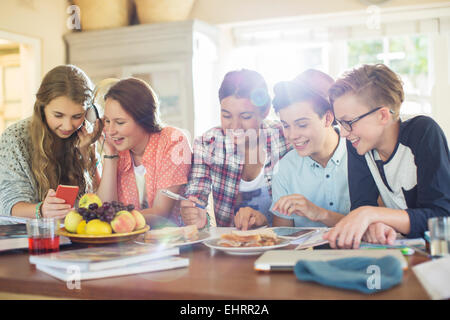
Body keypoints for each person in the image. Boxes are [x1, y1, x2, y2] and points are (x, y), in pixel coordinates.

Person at [324, 63, 450, 249]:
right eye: (340, 123)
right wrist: (375, 223)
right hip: (408, 251)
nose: (343, 133)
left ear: (382, 115)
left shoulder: (423, 132)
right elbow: (362, 206)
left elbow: (441, 217)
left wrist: (372, 215)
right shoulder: (359, 143)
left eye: (348, 122)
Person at [180, 69, 291, 230]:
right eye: (226, 116)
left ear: (265, 111)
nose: (235, 126)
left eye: (245, 117)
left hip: (281, 245)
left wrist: (266, 222)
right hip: (231, 246)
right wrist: (195, 213)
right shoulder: (207, 144)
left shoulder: (285, 137)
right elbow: (196, 196)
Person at [0, 65, 102, 220]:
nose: (68, 126)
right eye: (58, 115)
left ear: (89, 112)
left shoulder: (85, 135)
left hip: (72, 234)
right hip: (25, 236)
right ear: (42, 108)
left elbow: (99, 200)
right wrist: (41, 210)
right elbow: (8, 204)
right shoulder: (15, 138)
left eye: (77, 116)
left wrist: (87, 154)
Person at [96, 78, 191, 226]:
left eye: (120, 122)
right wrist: (110, 155)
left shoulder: (173, 140)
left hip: (174, 244)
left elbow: (161, 212)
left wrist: (116, 220)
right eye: (107, 121)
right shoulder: (119, 150)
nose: (110, 131)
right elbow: (105, 208)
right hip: (131, 245)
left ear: (143, 119)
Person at [270, 69, 350, 228]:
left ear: (328, 118)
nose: (292, 135)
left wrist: (320, 214)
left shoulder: (361, 156)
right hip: (305, 253)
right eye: (286, 125)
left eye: (302, 125)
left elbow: (380, 228)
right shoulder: (285, 168)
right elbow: (282, 239)